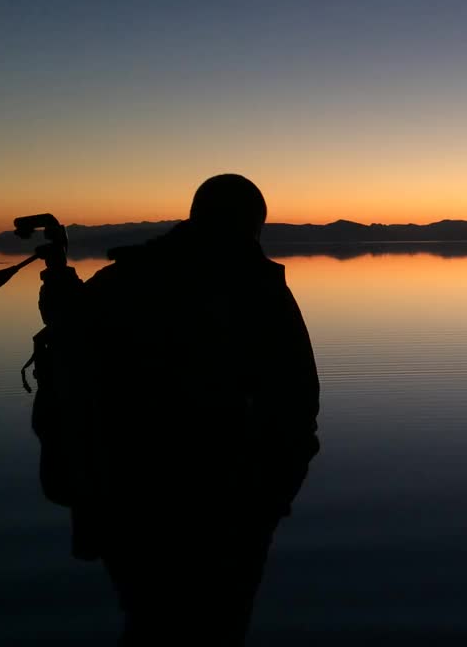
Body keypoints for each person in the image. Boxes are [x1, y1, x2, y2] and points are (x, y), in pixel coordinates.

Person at [39, 174, 319, 645]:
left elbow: (73, 347)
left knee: (148, 622)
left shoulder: (123, 278)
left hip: (127, 504)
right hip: (226, 510)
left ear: (194, 216)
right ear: (253, 224)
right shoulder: (259, 290)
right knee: (216, 629)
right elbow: (297, 404)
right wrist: (273, 497)